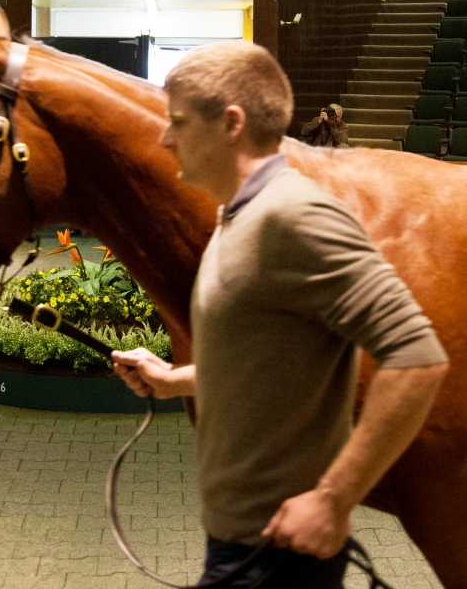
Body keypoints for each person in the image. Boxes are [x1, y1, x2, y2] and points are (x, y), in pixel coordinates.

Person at [113, 42, 448, 589]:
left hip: (275, 555)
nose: (165, 138)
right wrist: (174, 381)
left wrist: (334, 499)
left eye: (177, 122)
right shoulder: (239, 215)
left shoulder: (293, 215)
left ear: (231, 123)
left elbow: (418, 357)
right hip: (240, 544)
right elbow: (273, 359)